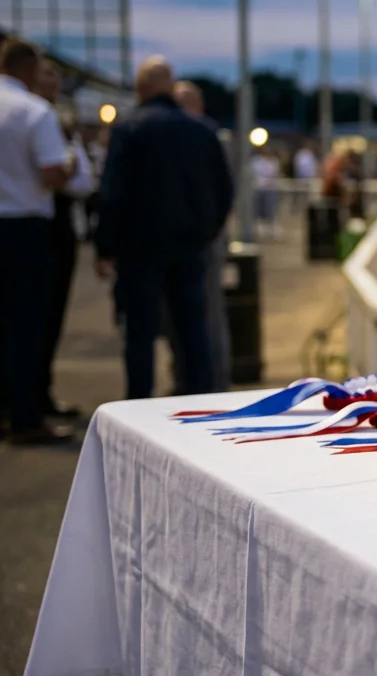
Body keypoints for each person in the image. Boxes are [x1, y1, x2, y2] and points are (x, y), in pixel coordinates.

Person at [95, 56, 233, 399]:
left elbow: (113, 193)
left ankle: (139, 404)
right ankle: (201, 399)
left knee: (140, 332)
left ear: (140, 89)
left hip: (139, 248)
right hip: (190, 244)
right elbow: (224, 189)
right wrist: (207, 232)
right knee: (192, 328)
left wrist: (105, 246)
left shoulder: (129, 128)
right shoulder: (201, 130)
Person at [0, 40, 74, 444]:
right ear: (29, 70)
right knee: (26, 325)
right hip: (23, 226)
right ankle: (26, 417)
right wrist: (69, 167)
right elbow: (51, 174)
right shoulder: (34, 110)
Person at [33, 59, 95, 419]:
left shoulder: (58, 122)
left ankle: (37, 393)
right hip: (44, 224)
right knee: (32, 318)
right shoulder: (41, 120)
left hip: (55, 225)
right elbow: (72, 176)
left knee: (47, 317)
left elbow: (83, 179)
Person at [173, 80, 233, 391]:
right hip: (192, 237)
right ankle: (191, 378)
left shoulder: (208, 136)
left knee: (207, 312)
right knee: (187, 316)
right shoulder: (201, 136)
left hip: (203, 238)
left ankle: (212, 381)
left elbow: (224, 190)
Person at [251, 145, 282, 240]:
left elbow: (275, 174)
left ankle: (271, 228)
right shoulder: (255, 161)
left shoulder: (274, 162)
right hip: (259, 189)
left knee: (271, 209)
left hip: (271, 189)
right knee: (260, 209)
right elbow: (254, 174)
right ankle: (261, 229)